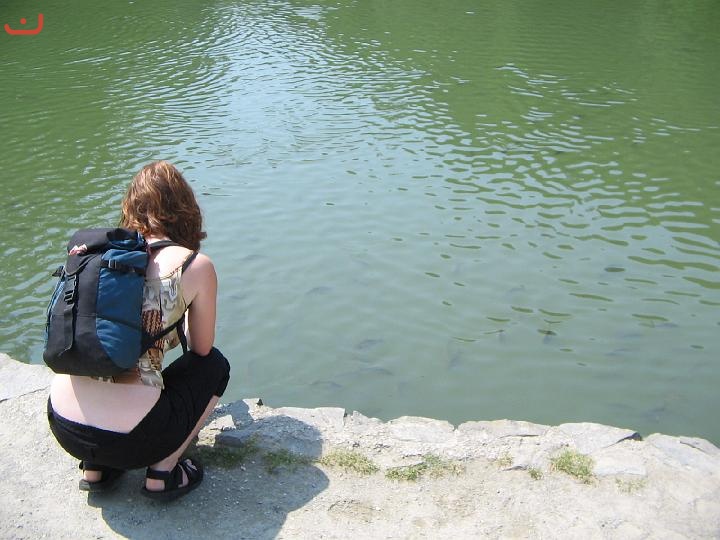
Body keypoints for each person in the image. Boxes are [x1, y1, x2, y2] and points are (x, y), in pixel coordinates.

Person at [47, 161, 231, 501]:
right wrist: (178, 316)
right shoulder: (193, 264)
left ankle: (95, 470)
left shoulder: (97, 256)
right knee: (215, 366)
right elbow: (201, 350)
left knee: (100, 364)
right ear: (186, 209)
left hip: (65, 427)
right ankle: (163, 474)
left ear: (130, 206)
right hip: (135, 438)